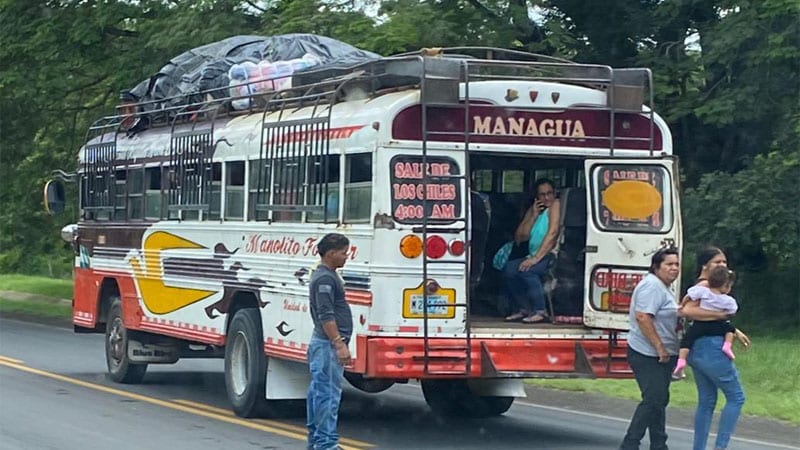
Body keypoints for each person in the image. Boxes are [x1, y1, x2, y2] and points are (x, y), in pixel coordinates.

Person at [679, 246, 749, 450]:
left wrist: (733, 329)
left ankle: (699, 447)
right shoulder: (706, 287)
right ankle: (720, 446)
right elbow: (688, 311)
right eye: (718, 262)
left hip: (697, 347)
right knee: (736, 397)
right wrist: (723, 318)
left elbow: (704, 318)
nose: (723, 266)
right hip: (711, 347)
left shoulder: (707, 288)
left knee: (707, 400)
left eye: (725, 263)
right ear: (704, 265)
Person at [619, 248, 680, 450]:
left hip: (663, 353)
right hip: (647, 353)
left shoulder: (664, 287)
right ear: (656, 266)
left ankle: (659, 444)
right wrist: (659, 346)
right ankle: (630, 443)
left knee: (660, 398)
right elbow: (643, 317)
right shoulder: (651, 286)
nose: (674, 268)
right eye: (669, 264)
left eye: (676, 264)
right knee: (654, 397)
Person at [306, 233, 353, 450]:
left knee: (319, 392)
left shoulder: (326, 275)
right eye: (344, 252)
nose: (346, 256)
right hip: (326, 345)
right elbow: (326, 314)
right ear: (331, 253)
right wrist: (338, 343)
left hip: (324, 344)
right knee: (328, 395)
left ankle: (317, 441)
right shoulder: (325, 279)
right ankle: (326, 443)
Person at [502, 179, 562, 323]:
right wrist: (533, 215)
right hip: (533, 254)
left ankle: (540, 310)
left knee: (529, 270)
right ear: (536, 197)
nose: (546, 198)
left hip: (550, 254)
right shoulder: (536, 209)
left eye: (549, 193)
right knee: (509, 269)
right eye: (542, 195)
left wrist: (536, 258)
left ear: (554, 193)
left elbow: (552, 233)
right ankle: (523, 309)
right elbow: (520, 237)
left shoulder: (556, 205)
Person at [673, 266, 738, 378]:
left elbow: (688, 297)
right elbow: (732, 311)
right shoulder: (727, 300)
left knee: (688, 339)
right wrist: (723, 314)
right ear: (726, 286)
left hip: (699, 324)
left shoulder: (703, 292)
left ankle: (681, 360)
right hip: (716, 324)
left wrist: (682, 304)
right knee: (730, 329)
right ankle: (727, 346)